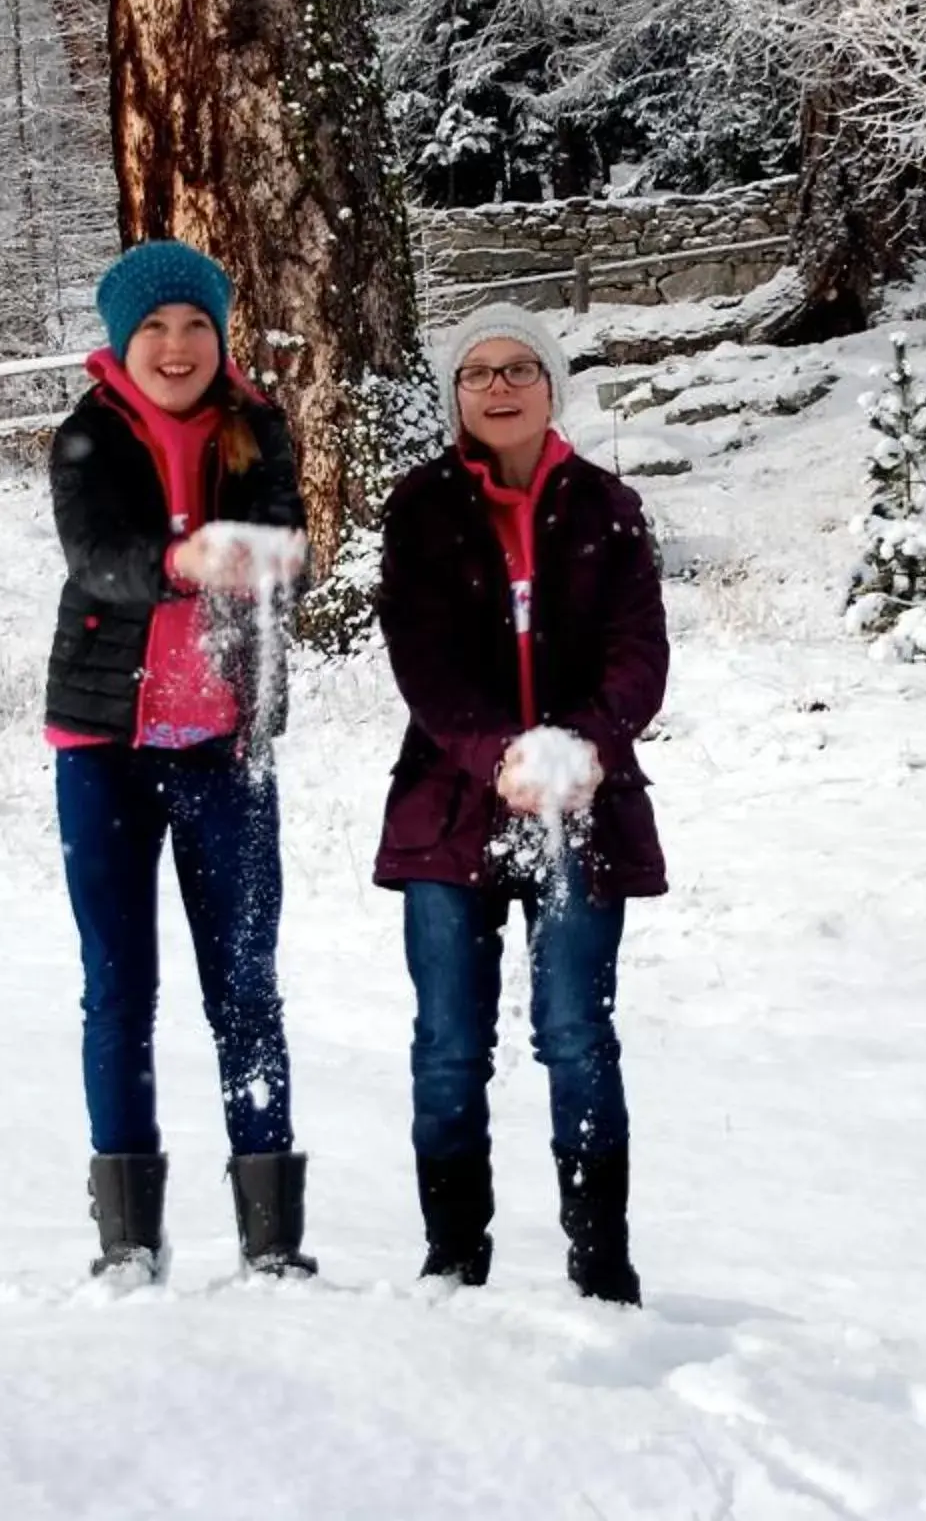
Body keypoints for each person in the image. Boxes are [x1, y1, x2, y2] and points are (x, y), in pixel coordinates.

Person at [374, 300, 669, 1305]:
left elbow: (641, 651)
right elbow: (423, 657)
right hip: (450, 806)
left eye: (519, 369)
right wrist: (496, 751)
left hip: (582, 804)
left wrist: (584, 744)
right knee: (451, 1042)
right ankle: (453, 1258)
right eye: (478, 372)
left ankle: (602, 1265)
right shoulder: (419, 507)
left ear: (551, 385)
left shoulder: (609, 508)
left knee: (577, 1033)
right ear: (457, 395)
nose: (499, 386)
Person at [46, 239, 313, 1281]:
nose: (176, 344)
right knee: (118, 983)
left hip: (224, 747)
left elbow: (289, 539)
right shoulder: (88, 437)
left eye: (196, 323)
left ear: (220, 335)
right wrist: (178, 560)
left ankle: (273, 1238)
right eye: (154, 326)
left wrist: (270, 555)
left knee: (246, 981)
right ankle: (127, 1240)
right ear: (124, 339)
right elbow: (96, 559)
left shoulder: (259, 426)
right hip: (103, 745)